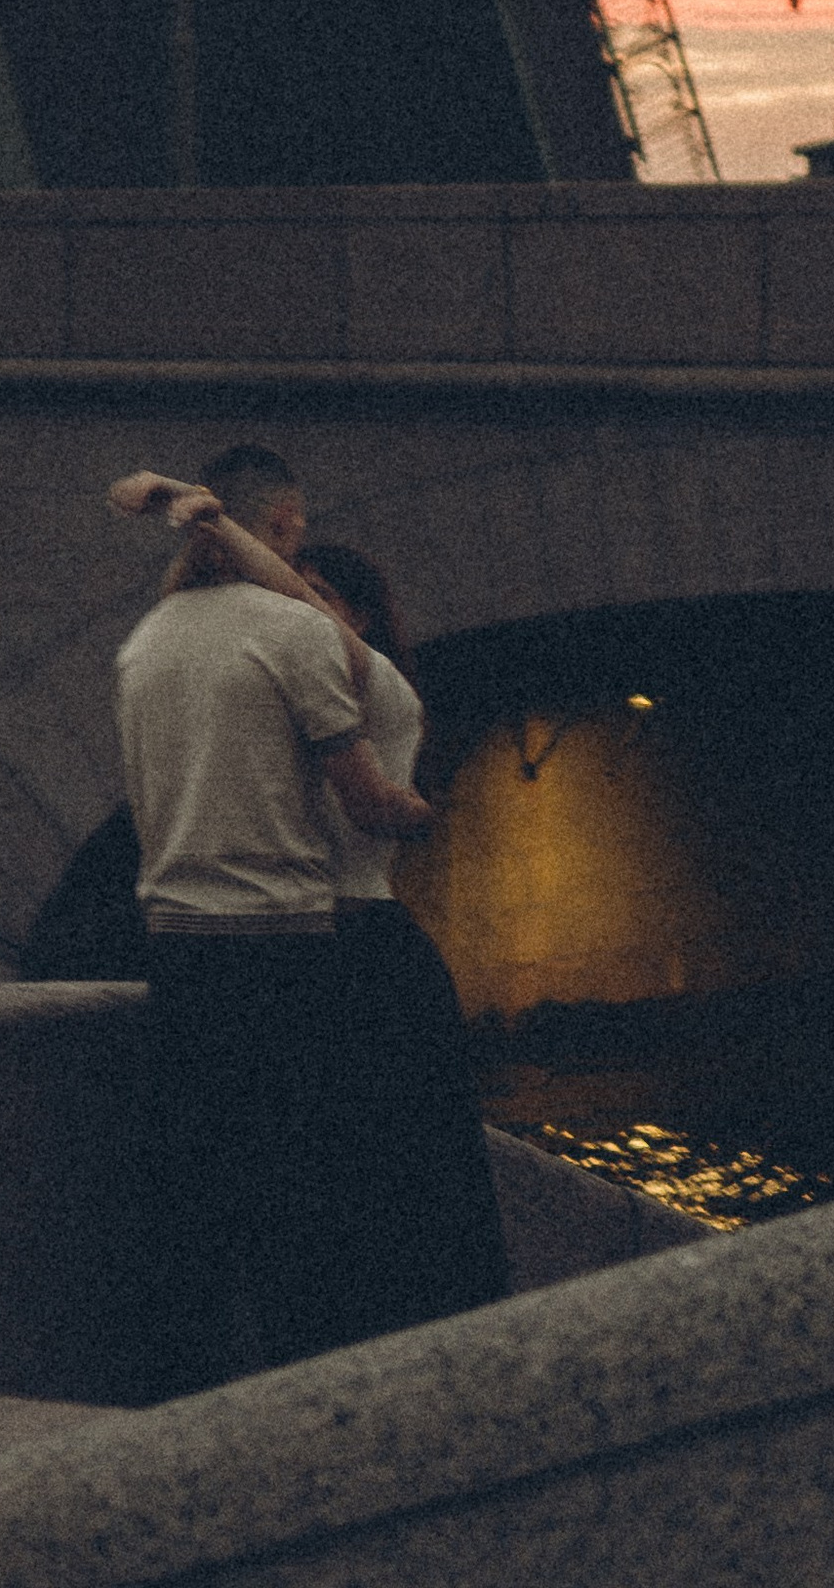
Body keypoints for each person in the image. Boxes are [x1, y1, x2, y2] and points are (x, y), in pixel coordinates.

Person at [109, 452, 428, 1391]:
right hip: (287, 942)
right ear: (280, 523)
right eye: (293, 533)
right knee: (305, 1202)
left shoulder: (143, 645)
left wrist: (170, 500)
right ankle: (306, 1396)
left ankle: (192, 1395)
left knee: (200, 1196)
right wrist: (424, 812)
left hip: (173, 940)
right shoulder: (294, 636)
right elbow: (367, 803)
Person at [297, 536, 512, 1338]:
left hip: (375, 961)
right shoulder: (297, 698)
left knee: (414, 1183)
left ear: (359, 619)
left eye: (318, 593)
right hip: (327, 955)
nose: (296, 607)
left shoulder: (376, 685)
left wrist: (208, 520)